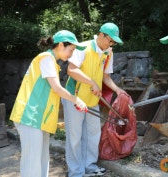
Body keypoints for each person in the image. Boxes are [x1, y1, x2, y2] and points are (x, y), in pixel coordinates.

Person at [9, 30, 88, 177]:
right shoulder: (46, 58)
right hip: (30, 116)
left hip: (39, 118)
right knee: (32, 164)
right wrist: (76, 99)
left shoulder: (51, 62)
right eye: (71, 50)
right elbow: (57, 88)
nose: (71, 54)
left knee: (42, 160)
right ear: (60, 45)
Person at [62, 22, 127, 177]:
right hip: (74, 97)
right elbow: (71, 70)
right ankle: (76, 172)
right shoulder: (82, 47)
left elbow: (105, 77)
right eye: (110, 40)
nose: (111, 44)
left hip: (92, 99)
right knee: (75, 137)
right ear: (101, 35)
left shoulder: (108, 53)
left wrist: (118, 90)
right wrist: (91, 82)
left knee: (93, 134)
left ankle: (89, 166)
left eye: (114, 43)